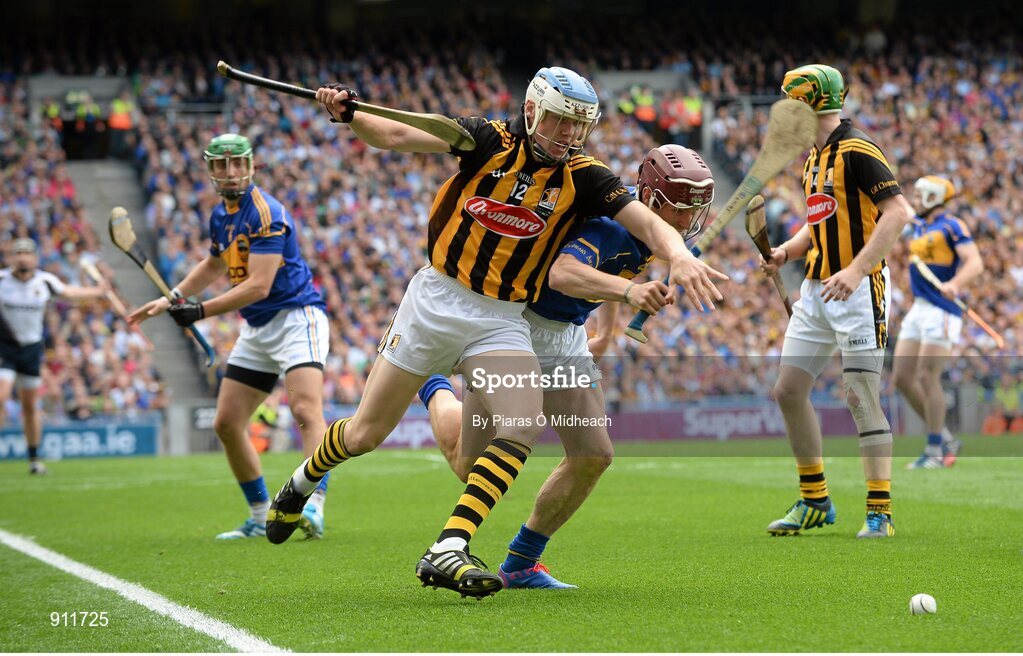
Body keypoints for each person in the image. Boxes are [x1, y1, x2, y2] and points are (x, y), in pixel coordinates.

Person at [266, 67, 728, 598]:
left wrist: (674, 255)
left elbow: (644, 224)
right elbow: (396, 133)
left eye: (579, 126)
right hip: (437, 298)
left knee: (522, 425)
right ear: (532, 111)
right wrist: (351, 114)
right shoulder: (486, 138)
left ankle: (450, 546)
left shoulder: (588, 176)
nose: (569, 135)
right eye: (559, 121)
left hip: (504, 315)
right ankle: (302, 481)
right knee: (366, 434)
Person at [418, 144, 715, 589]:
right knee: (469, 463)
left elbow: (622, 275)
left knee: (593, 453)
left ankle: (520, 562)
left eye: (697, 209)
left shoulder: (651, 237)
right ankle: (435, 386)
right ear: (650, 200)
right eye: (681, 209)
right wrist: (630, 295)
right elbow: (563, 273)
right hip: (515, 327)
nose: (690, 221)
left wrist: (609, 328)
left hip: (565, 337)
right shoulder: (611, 228)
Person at [129, 134, 331, 541]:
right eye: (221, 165)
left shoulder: (267, 212)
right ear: (210, 170)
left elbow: (258, 285)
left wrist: (200, 311)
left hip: (296, 319)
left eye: (237, 163)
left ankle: (314, 505)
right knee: (226, 422)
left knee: (307, 411)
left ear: (251, 165)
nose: (230, 171)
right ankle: (260, 514)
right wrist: (173, 298)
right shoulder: (221, 215)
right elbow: (215, 262)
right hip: (258, 328)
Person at [759, 65, 914, 539]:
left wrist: (856, 269)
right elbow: (821, 220)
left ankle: (880, 512)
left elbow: (898, 212)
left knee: (859, 394)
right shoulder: (814, 156)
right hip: (816, 290)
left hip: (857, 291)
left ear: (810, 104)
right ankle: (814, 500)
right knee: (788, 391)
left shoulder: (858, 149)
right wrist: (788, 250)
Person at [893, 176, 983, 469]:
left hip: (942, 310)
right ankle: (944, 438)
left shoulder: (952, 226)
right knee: (902, 378)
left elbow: (975, 262)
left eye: (920, 196)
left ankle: (934, 450)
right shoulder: (919, 226)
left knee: (925, 376)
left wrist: (956, 283)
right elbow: (899, 210)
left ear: (934, 197)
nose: (916, 200)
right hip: (919, 307)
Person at [0, 238, 107, 474]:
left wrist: (97, 291)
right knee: (2, 396)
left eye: (27, 253)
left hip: (30, 350)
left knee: (30, 406)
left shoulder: (44, 281)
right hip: (4, 348)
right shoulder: (2, 280)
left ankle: (34, 459)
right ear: (11, 257)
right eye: (18, 253)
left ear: (35, 257)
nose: (22, 257)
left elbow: (69, 292)